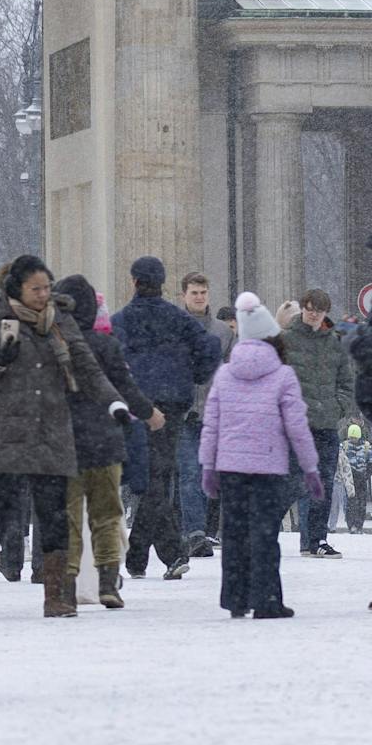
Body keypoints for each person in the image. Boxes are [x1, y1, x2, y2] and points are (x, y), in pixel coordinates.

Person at [0, 254, 127, 619]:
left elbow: (87, 367)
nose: (43, 295)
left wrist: (114, 403)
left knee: (53, 516)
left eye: (47, 288)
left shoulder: (60, 322)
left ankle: (55, 595)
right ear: (17, 288)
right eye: (35, 289)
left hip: (53, 432)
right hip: (8, 434)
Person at [199, 291, 320, 619]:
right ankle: (267, 599)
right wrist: (310, 468)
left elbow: (211, 425)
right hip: (268, 468)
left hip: (231, 468)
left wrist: (207, 466)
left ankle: (235, 598)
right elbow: (297, 427)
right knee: (265, 534)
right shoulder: (283, 376)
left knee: (235, 532)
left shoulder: (224, 375)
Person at [112, 254, 221, 580]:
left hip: (135, 404)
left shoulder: (121, 321)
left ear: (134, 282)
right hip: (172, 405)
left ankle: (145, 554)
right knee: (159, 478)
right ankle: (161, 553)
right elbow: (209, 348)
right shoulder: (179, 319)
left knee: (152, 480)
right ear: (163, 283)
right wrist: (194, 374)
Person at [55, 271, 161, 609]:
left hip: (65, 442)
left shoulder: (54, 345)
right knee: (107, 515)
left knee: (69, 517)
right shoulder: (107, 344)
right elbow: (124, 387)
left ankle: (68, 582)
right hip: (104, 440)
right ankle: (107, 582)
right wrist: (149, 412)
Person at [282, 287, 354, 558]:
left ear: (325, 313)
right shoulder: (286, 340)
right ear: (303, 308)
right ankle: (261, 530)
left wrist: (337, 408)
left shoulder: (335, 342)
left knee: (322, 482)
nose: (313, 314)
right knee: (289, 482)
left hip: (325, 424)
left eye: (319, 310)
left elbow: (347, 383)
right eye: (310, 308)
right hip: (294, 426)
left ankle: (316, 539)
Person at [178, 271, 217, 548]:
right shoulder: (173, 328)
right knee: (189, 473)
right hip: (183, 412)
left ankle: (203, 528)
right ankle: (194, 531)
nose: (199, 297)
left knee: (209, 474)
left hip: (215, 414)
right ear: (184, 295)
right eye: (194, 293)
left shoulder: (223, 332)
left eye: (203, 292)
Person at [342, 423, 371, 533]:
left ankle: (359, 525)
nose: (353, 439)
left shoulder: (366, 447)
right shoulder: (344, 445)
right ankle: (351, 525)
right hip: (350, 478)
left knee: (362, 503)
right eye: (351, 437)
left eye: (354, 437)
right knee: (351, 502)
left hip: (362, 478)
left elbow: (370, 462)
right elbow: (341, 462)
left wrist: (367, 474)